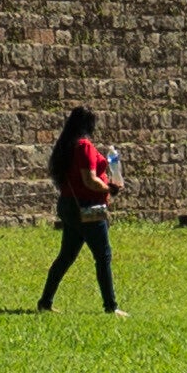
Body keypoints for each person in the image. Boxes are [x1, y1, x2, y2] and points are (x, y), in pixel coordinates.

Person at [37, 103, 122, 315]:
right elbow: (89, 180)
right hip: (88, 206)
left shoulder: (66, 146)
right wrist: (110, 188)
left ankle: (45, 302)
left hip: (69, 204)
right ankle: (111, 306)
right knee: (103, 255)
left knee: (66, 256)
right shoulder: (84, 146)